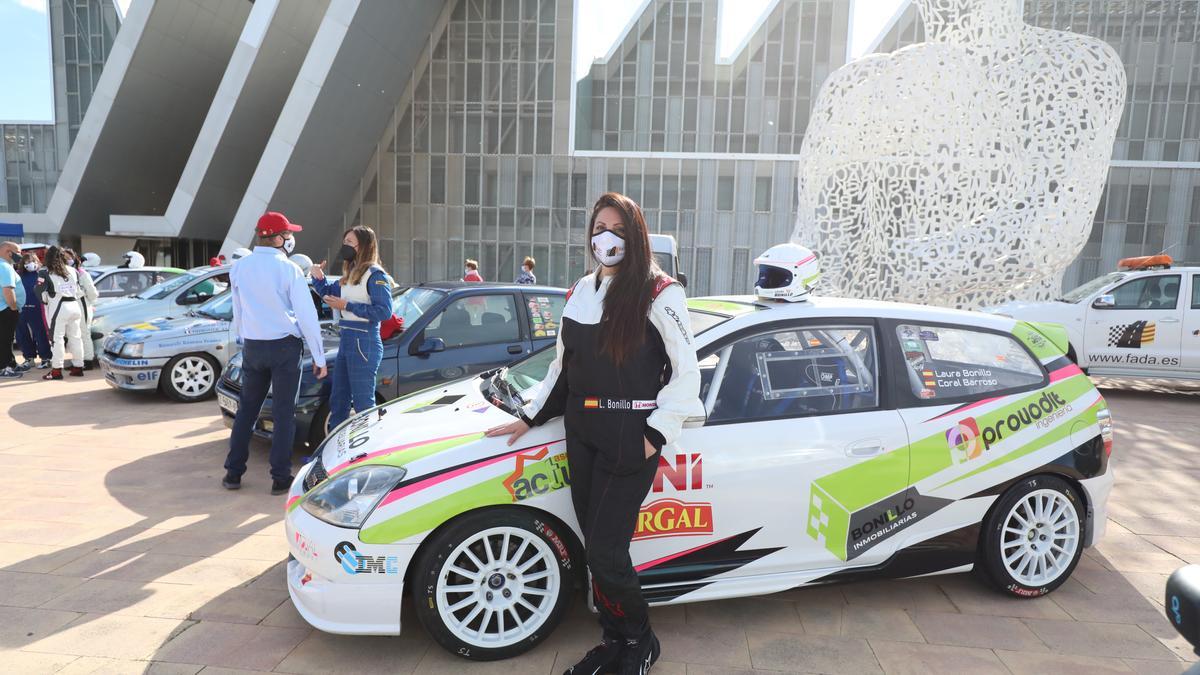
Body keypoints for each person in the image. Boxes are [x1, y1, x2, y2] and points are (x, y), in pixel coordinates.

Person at [486, 193, 702, 675]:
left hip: (630, 434)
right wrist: (528, 416)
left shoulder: (659, 291)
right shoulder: (578, 292)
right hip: (581, 433)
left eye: (619, 229)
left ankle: (641, 640)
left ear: (636, 237)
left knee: (607, 549)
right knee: (595, 547)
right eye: (599, 227)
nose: (606, 237)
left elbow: (687, 375)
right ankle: (615, 637)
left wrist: (655, 436)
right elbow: (563, 370)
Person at [223, 212, 328, 495]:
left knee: (246, 411)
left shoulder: (240, 267)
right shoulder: (289, 269)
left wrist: (244, 339)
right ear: (279, 238)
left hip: (254, 346)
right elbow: (306, 316)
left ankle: (233, 473)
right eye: (289, 234)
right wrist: (319, 357)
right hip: (284, 347)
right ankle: (280, 477)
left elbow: (238, 309)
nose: (291, 239)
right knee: (283, 414)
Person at [310, 226, 393, 429]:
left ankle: (367, 452)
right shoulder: (351, 273)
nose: (344, 246)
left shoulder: (374, 274)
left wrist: (347, 306)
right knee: (338, 400)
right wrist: (318, 277)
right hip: (348, 338)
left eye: (349, 242)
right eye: (344, 241)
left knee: (364, 403)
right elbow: (329, 294)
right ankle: (335, 451)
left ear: (363, 246)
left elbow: (384, 311)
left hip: (364, 340)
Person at [40, 246, 85, 380]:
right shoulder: (73, 270)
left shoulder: (46, 272)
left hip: (58, 307)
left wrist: (46, 299)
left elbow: (39, 292)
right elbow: (79, 290)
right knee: (76, 337)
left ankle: (56, 371)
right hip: (75, 306)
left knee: (57, 339)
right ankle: (78, 367)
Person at [15, 252, 51, 370]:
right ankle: (28, 358)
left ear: (37, 262)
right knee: (22, 334)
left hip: (37, 309)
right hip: (22, 309)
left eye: (32, 261)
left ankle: (45, 358)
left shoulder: (42, 274)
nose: (29, 264)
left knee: (40, 333)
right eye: (26, 262)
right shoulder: (18, 275)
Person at [65, 249, 100, 368]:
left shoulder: (82, 273)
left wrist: (89, 302)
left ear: (75, 259)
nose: (67, 260)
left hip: (81, 303)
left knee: (84, 333)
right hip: (68, 305)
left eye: (69, 257)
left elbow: (92, 292)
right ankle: (77, 361)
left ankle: (88, 360)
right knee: (72, 334)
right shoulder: (62, 273)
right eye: (63, 258)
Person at [0, 242, 25, 378]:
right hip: (6, 309)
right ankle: (5, 368)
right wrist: (14, 307)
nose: (20, 256)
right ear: (9, 252)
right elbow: (8, 290)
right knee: (5, 340)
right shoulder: (5, 267)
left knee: (3, 339)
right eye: (18, 252)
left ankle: (9, 364)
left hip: (3, 309)